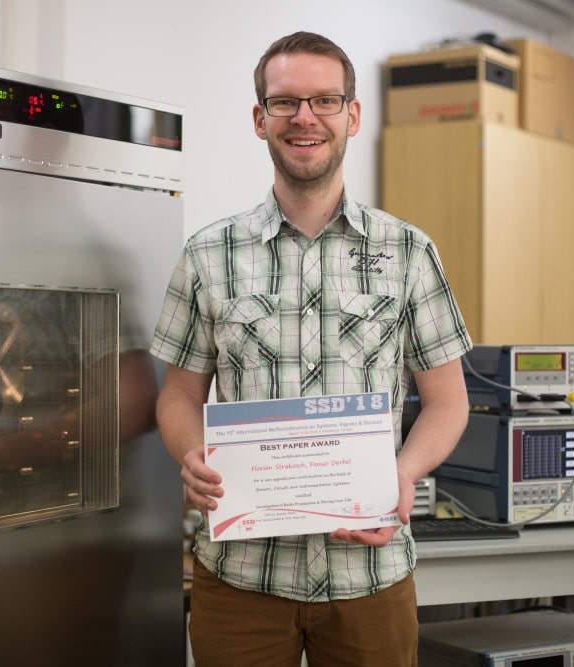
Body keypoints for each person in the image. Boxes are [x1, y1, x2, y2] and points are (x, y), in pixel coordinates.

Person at [150, 31, 472, 667]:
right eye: (285, 102)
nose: (305, 117)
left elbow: (448, 400)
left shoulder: (409, 252)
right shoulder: (208, 255)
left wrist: (404, 474)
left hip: (369, 576)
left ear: (352, 115)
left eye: (325, 100)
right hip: (241, 575)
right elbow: (179, 394)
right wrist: (191, 452)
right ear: (260, 118)